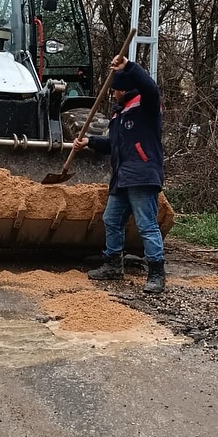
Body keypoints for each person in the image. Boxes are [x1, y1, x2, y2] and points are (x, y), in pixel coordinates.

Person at [73, 52, 167, 294]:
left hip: (142, 175)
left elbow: (151, 87)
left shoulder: (146, 106)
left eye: (115, 90)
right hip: (122, 176)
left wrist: (129, 66)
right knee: (112, 219)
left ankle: (156, 273)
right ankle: (113, 265)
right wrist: (91, 142)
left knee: (147, 225)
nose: (113, 93)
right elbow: (115, 145)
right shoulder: (120, 113)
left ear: (123, 90)